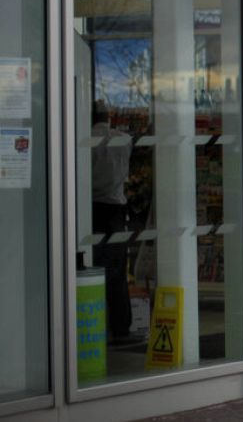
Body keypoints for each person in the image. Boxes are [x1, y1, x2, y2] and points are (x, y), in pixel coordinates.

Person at [91, 100, 133, 342]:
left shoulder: (85, 139)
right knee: (117, 270)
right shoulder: (124, 139)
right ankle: (121, 327)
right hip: (116, 208)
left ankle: (94, 323)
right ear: (109, 117)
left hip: (92, 207)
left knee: (93, 265)